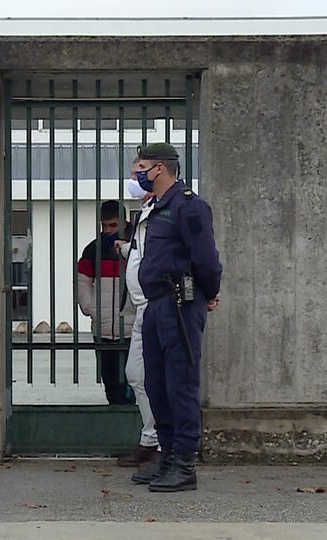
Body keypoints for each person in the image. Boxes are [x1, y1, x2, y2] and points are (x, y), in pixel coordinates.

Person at [130, 143, 222, 492]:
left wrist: (209, 292)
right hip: (156, 303)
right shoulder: (157, 208)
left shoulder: (189, 206)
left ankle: (184, 462)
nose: (137, 174)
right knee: (156, 384)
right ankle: (167, 455)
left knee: (180, 383)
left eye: (142, 166)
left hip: (180, 303)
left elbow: (206, 258)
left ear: (160, 169)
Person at [113, 165, 159, 467]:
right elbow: (147, 254)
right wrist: (128, 250)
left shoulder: (165, 211)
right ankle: (151, 438)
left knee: (158, 378)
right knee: (136, 375)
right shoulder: (145, 212)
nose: (133, 179)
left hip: (158, 306)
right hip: (143, 308)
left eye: (138, 172)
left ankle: (159, 443)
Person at [76, 200, 135, 406]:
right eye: (104, 226)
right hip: (102, 328)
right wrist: (89, 308)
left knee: (133, 381)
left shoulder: (136, 247)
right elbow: (82, 280)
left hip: (132, 328)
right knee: (110, 382)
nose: (107, 230)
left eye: (112, 225)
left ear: (124, 223)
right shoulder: (93, 249)